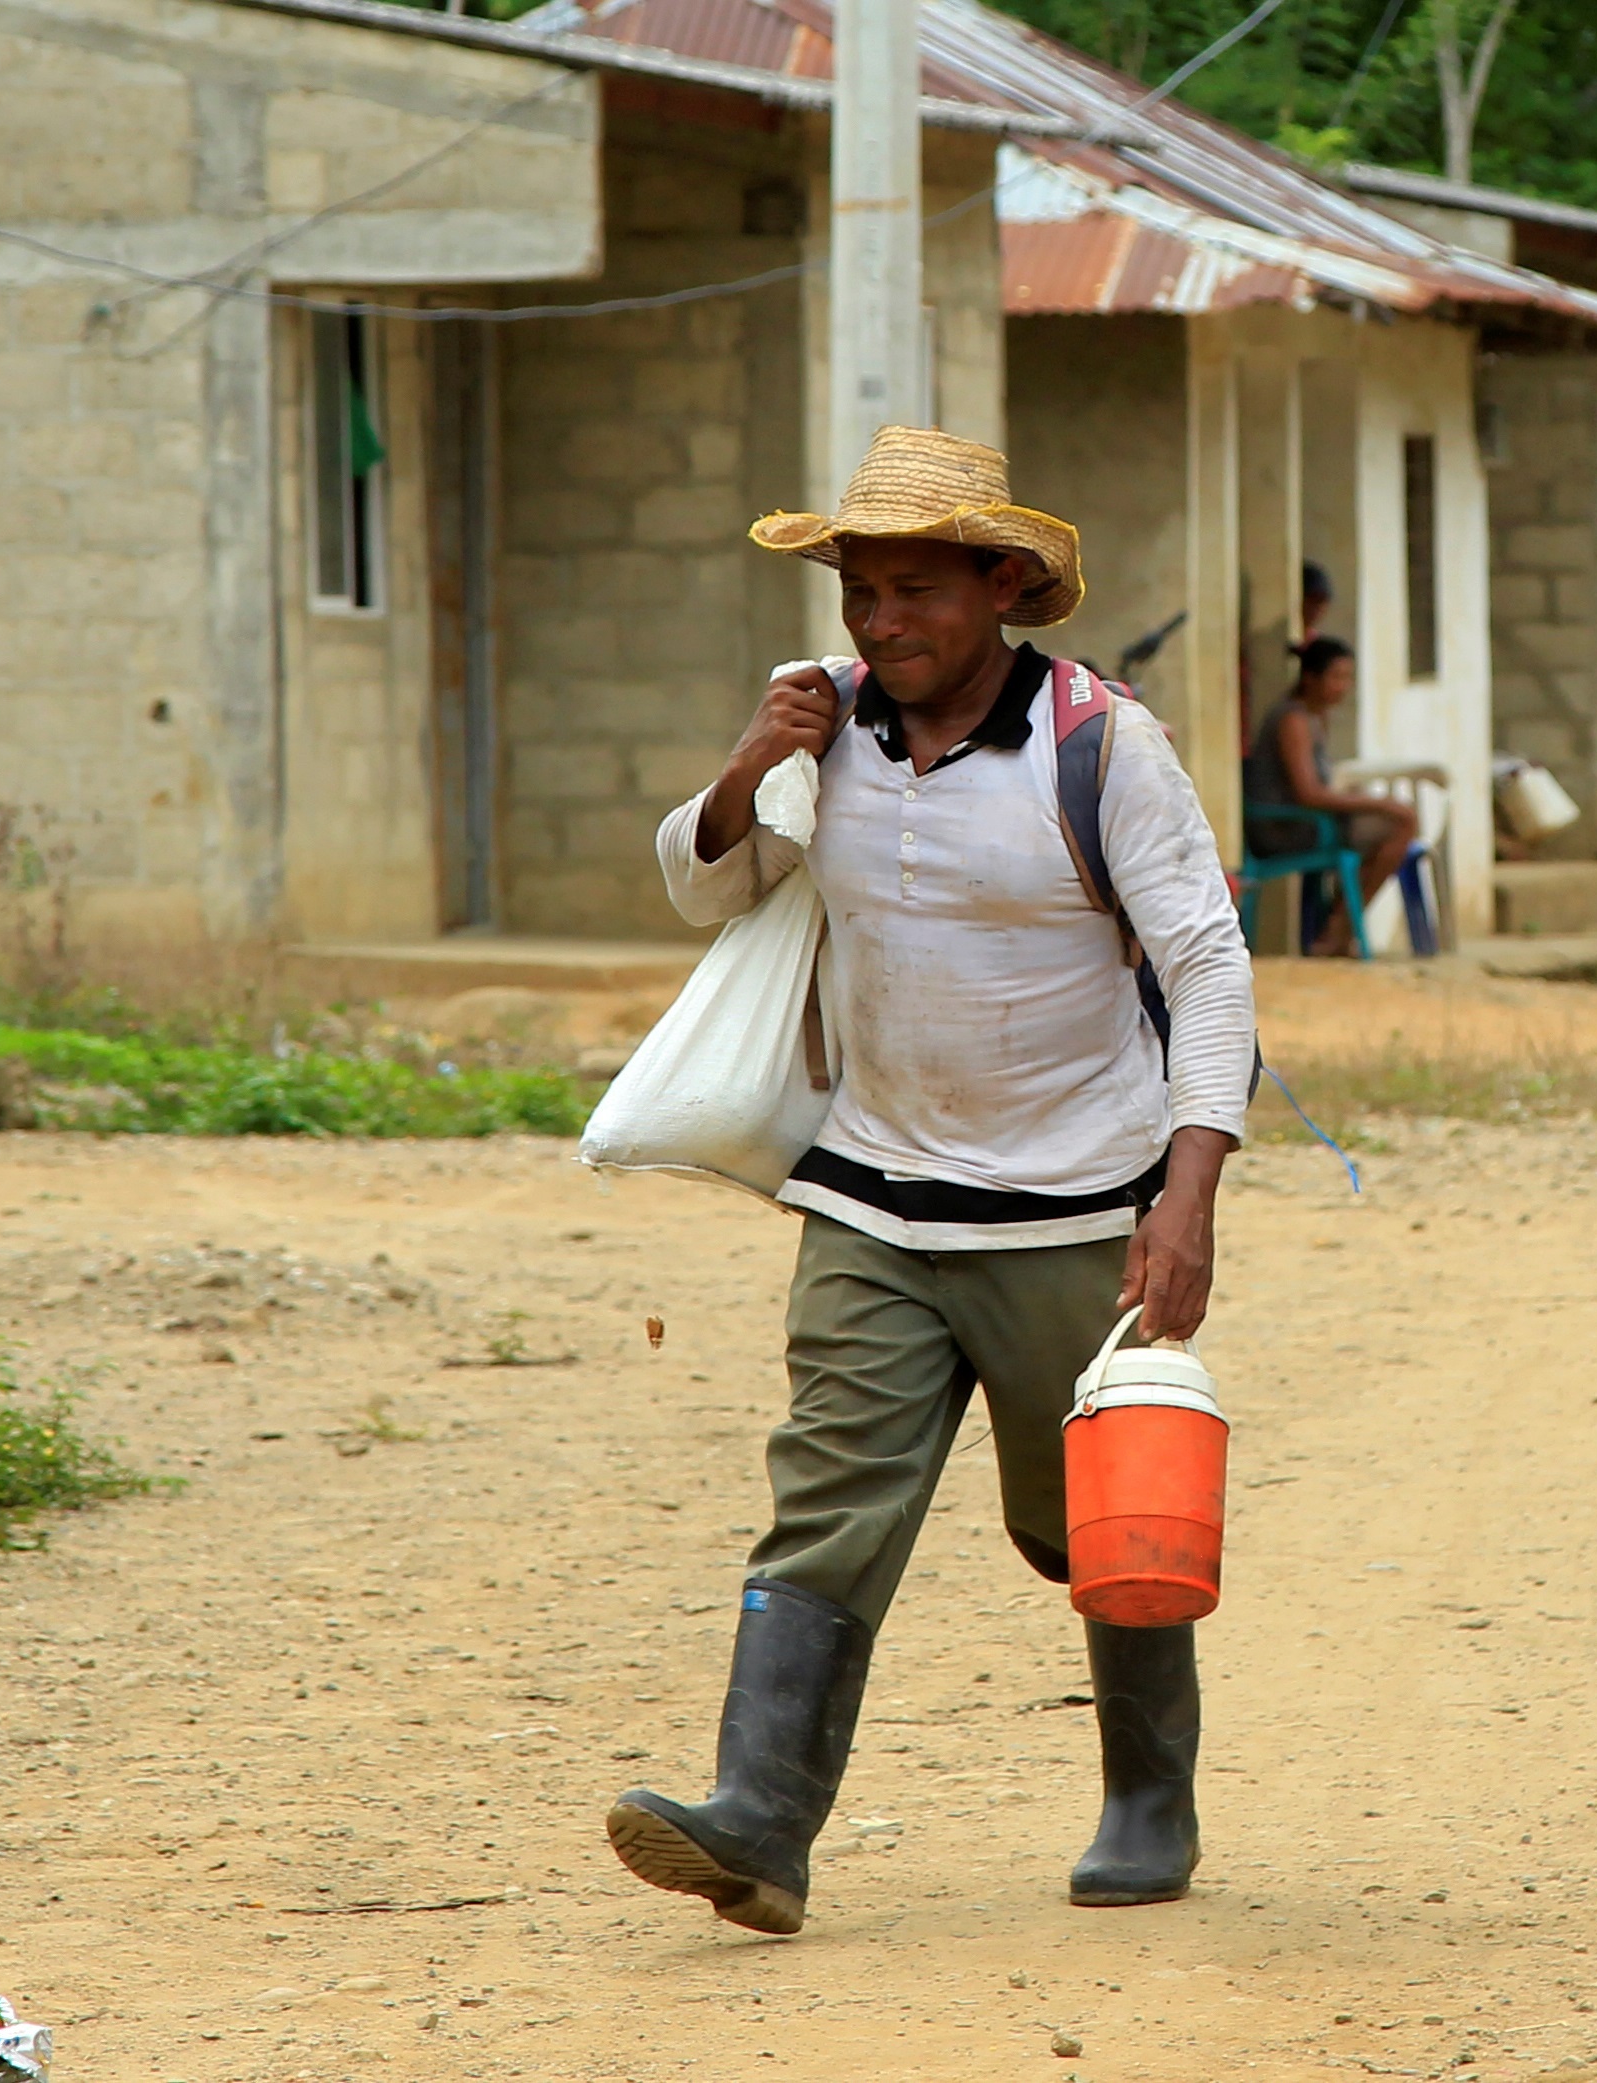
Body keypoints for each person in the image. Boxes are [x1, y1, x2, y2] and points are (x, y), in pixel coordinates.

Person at [604, 427, 1256, 1936]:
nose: (882, 623)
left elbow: (1206, 968)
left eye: (915, 592)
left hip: (1072, 1215)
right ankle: (758, 1823)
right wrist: (753, 761)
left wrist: (1187, 1193)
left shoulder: (1100, 746)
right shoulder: (821, 729)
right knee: (822, 1499)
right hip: (870, 1198)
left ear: (1001, 588)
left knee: (1095, 1521)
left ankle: (1148, 1796)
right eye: (860, 594)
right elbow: (703, 885)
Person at [1241, 635, 1415, 957]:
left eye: (1348, 678)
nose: (1343, 687)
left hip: (1309, 821)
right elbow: (1308, 794)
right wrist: (1378, 803)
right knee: (1402, 821)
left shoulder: (1315, 717)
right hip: (1284, 828)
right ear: (1310, 678)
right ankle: (1337, 930)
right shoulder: (1292, 719)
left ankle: (1338, 926)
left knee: (1394, 824)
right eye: (1336, 677)